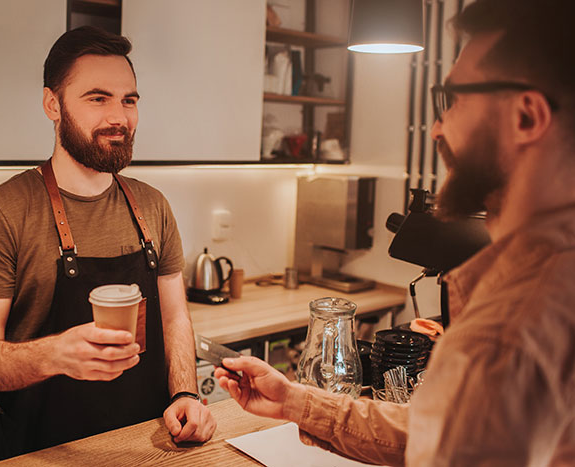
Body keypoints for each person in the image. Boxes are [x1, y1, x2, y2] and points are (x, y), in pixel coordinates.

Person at [216, 0, 575, 465]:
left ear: (526, 116)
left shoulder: (511, 328)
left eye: (455, 100)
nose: (437, 128)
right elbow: (438, 429)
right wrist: (294, 402)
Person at [0, 26, 215, 461]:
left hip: (146, 447)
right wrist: (52, 355)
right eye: (98, 98)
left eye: (129, 100)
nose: (119, 117)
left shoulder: (153, 205)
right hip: (42, 453)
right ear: (52, 104)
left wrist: (184, 393)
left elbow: (174, 321)